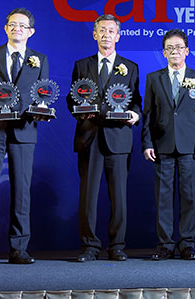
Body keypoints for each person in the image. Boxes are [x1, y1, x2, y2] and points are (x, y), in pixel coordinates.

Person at [0, 7, 49, 266]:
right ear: (5, 28)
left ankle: (18, 249)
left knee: (22, 191)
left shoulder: (39, 59)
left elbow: (42, 95)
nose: (17, 29)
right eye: (13, 24)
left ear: (31, 32)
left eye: (22, 26)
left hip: (24, 131)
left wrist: (42, 110)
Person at [66, 14, 141, 262]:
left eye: (111, 31)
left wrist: (135, 115)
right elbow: (72, 98)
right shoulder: (81, 65)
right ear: (94, 34)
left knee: (119, 196)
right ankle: (89, 246)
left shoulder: (130, 67)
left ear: (118, 36)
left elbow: (136, 101)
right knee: (88, 196)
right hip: (89, 137)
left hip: (118, 138)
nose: (106, 35)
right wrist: (80, 112)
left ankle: (117, 246)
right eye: (102, 30)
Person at [141, 29, 195, 260]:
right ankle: (165, 244)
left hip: (190, 147)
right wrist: (147, 143)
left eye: (179, 47)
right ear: (164, 52)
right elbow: (148, 114)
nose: (174, 51)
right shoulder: (153, 78)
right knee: (163, 197)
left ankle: (187, 243)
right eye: (170, 48)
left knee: (189, 196)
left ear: (187, 51)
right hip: (162, 145)